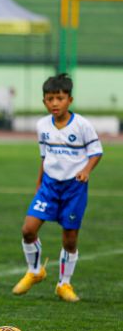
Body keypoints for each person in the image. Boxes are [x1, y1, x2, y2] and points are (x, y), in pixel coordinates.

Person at [12, 74, 103, 302]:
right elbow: (45, 156)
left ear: (69, 100)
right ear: (44, 102)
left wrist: (87, 170)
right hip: (49, 186)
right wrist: (39, 183)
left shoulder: (82, 125)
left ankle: (64, 284)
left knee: (70, 239)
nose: (55, 103)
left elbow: (96, 151)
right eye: (50, 99)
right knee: (28, 229)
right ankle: (35, 271)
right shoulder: (42, 125)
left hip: (74, 188)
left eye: (59, 98)